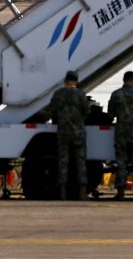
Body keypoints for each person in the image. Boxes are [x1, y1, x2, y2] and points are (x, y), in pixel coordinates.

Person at [47, 70, 91, 200]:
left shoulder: (58, 94)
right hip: (78, 132)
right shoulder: (81, 95)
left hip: (63, 132)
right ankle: (82, 193)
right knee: (81, 162)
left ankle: (62, 193)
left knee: (63, 162)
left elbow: (51, 111)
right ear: (76, 81)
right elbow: (87, 112)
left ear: (65, 80)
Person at [107, 70, 133, 199]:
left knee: (121, 162)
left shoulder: (116, 94)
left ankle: (120, 193)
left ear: (123, 80)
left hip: (121, 132)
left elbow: (110, 115)